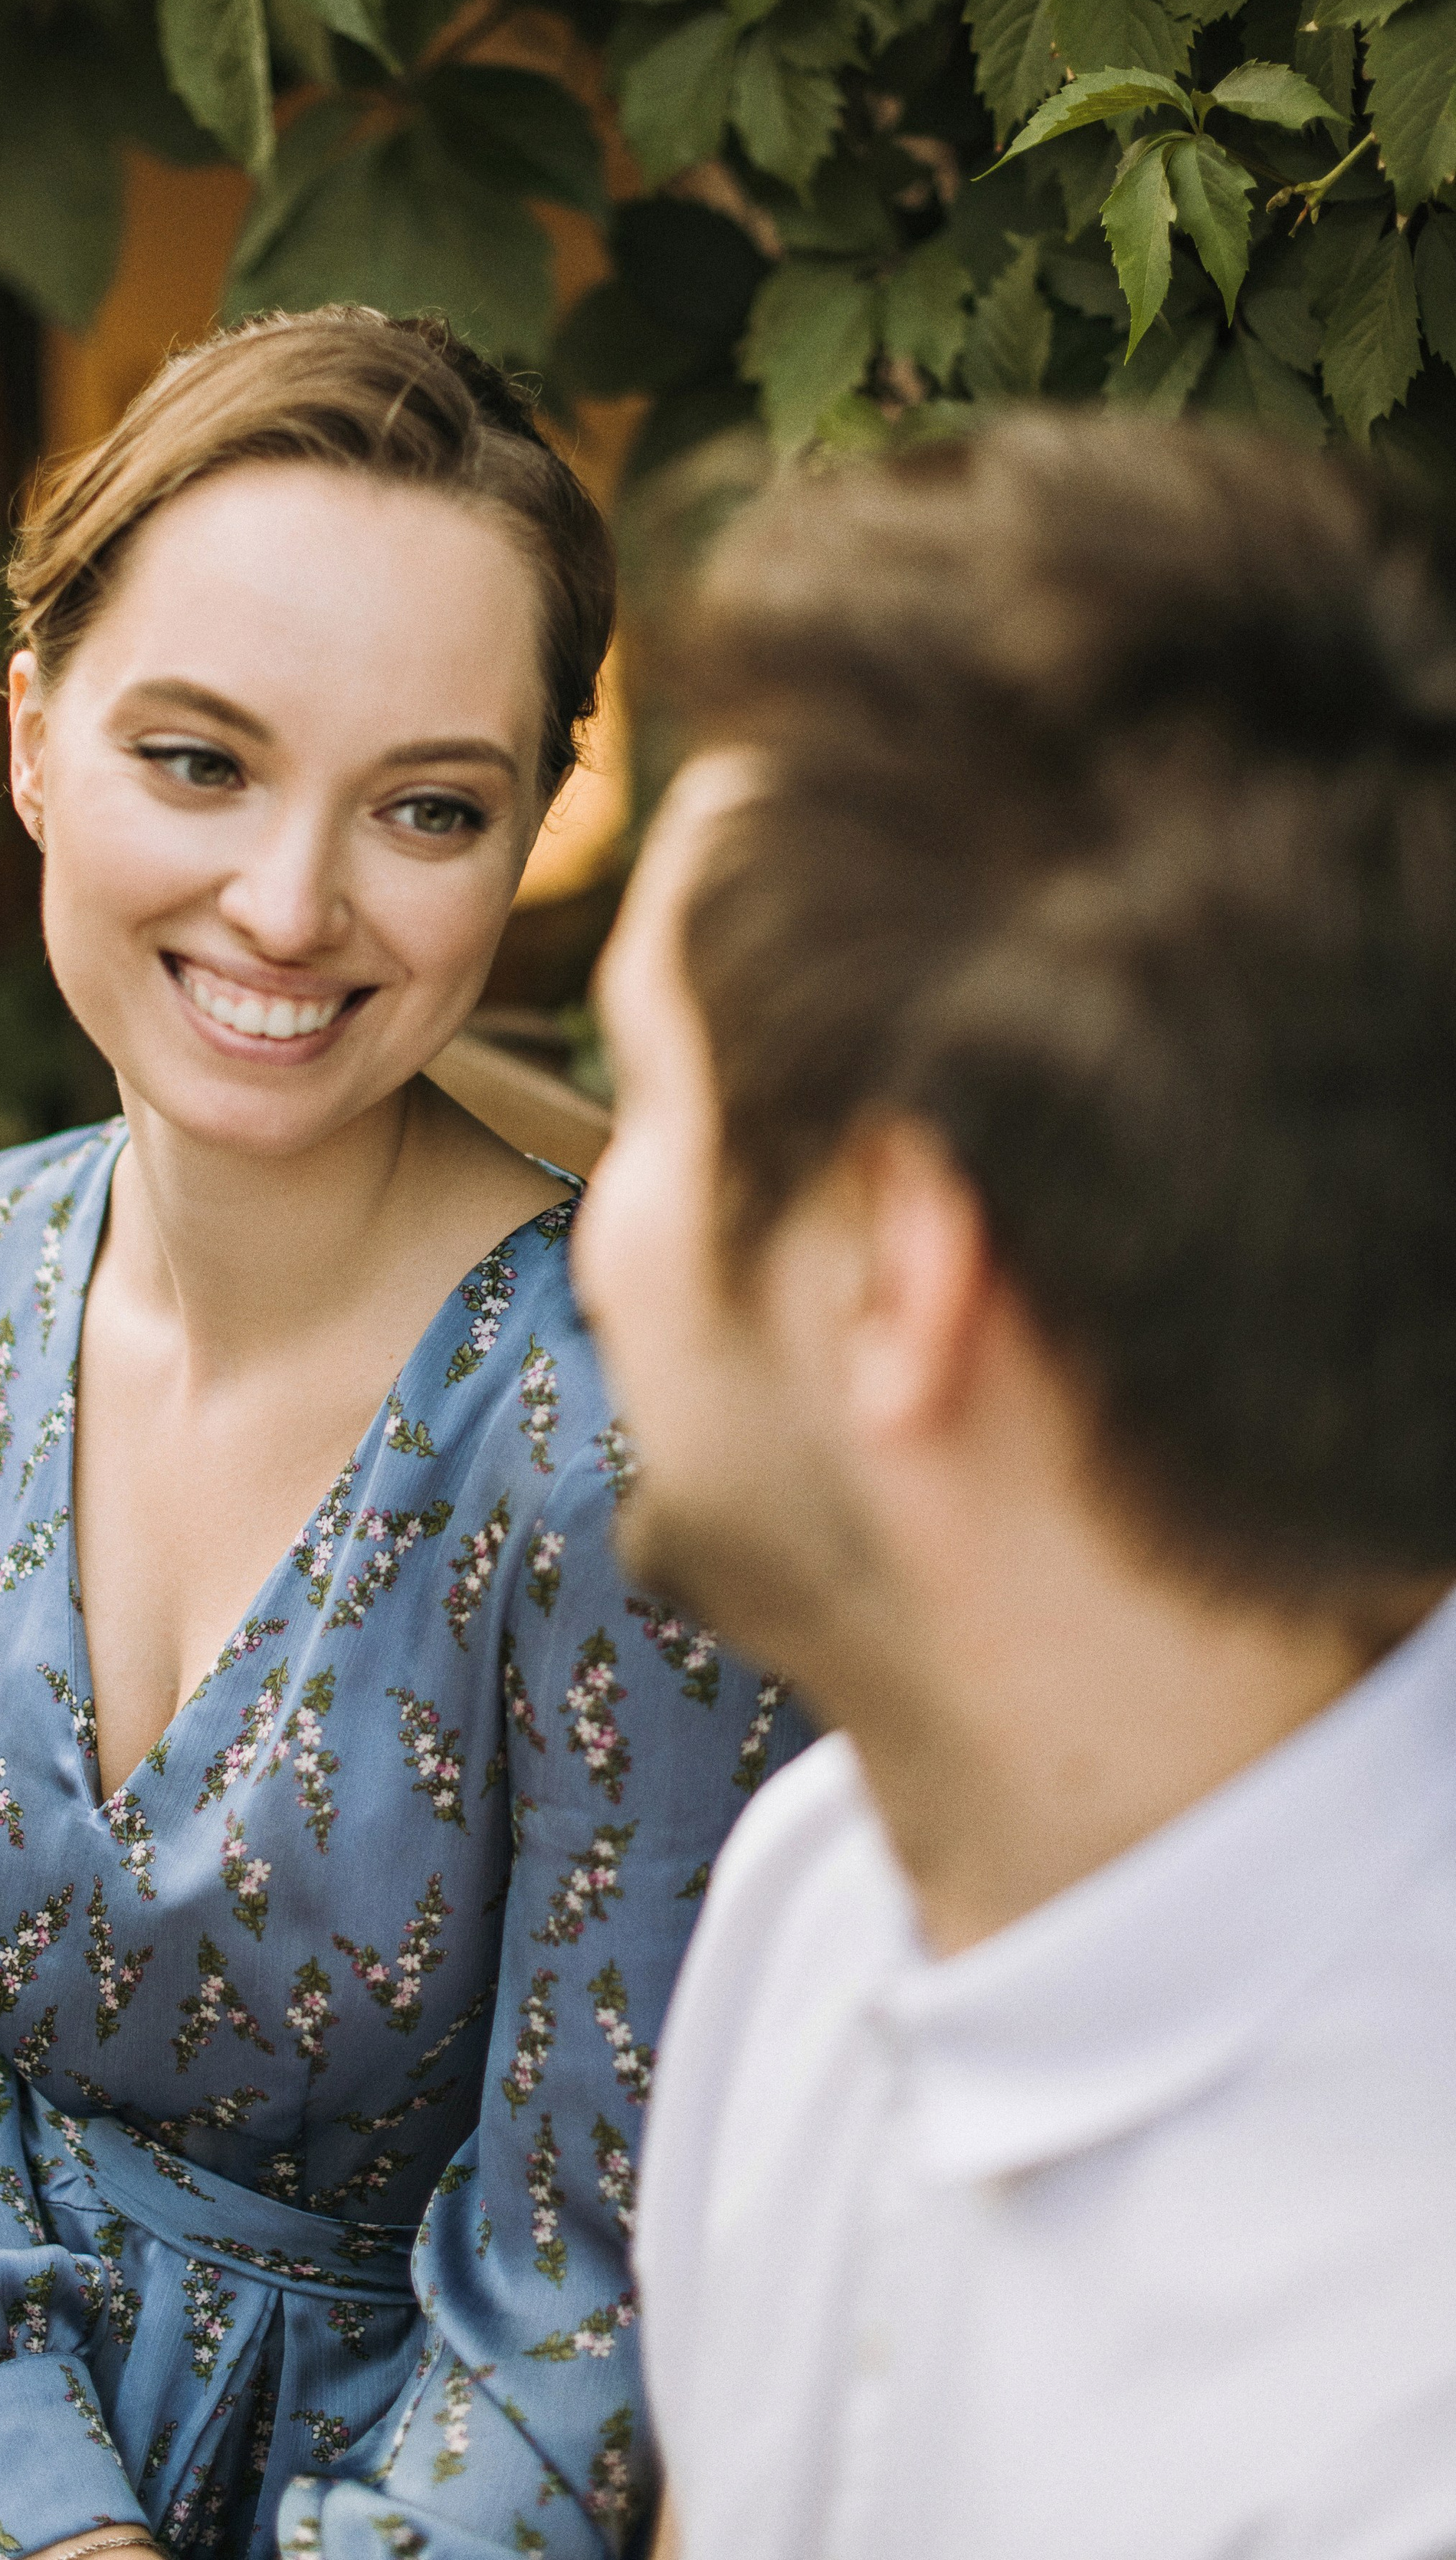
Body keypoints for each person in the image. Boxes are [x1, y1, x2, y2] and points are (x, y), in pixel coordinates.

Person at [0, 310, 802, 2560]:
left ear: (519, 842)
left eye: (424, 806)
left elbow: (591, 2280)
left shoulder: (611, 1444)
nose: (292, 908)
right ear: (32, 740)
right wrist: (34, 2489)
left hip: (359, 2481)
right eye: (198, 761)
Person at [573, 415, 1456, 2560]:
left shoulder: (1384, 2436)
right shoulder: (821, 1881)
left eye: (645, 1105)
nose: (596, 1226)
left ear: (895, 1272)